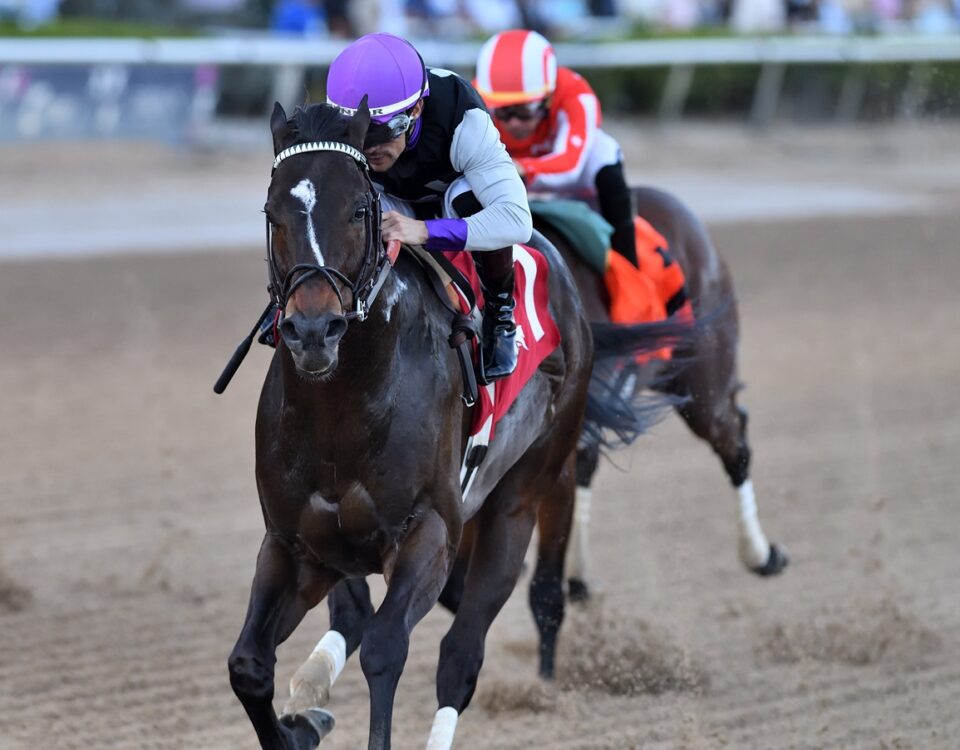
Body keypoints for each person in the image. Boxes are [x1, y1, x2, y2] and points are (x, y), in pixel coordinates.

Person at [325, 32, 532, 382]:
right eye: (358, 134)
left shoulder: (462, 116)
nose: (371, 149)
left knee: (468, 196)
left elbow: (516, 220)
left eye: (385, 132)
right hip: (385, 200)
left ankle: (500, 310)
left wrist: (422, 231)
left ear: (417, 108)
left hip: (452, 202)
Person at [474, 29, 638, 267]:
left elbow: (569, 165)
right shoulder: (473, 96)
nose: (514, 123)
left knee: (605, 154)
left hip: (574, 176)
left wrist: (520, 169)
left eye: (524, 111)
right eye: (503, 112)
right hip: (514, 174)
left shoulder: (577, 95)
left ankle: (629, 266)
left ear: (549, 97)